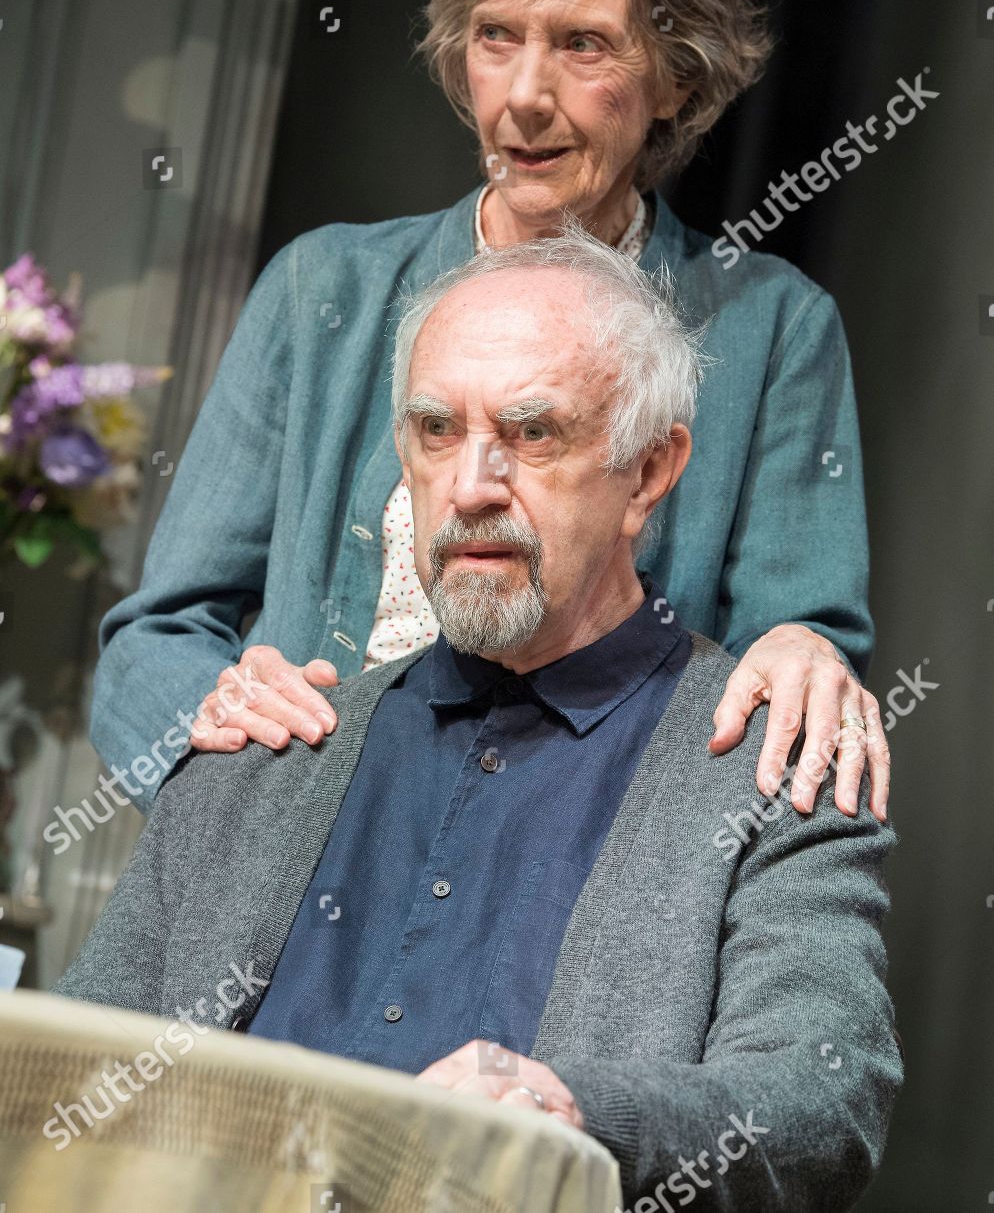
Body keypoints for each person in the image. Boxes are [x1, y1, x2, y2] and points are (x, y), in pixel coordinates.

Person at [54, 227, 902, 1212]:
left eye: (533, 434)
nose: (469, 487)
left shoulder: (769, 771)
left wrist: (573, 1117)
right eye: (435, 431)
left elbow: (823, 1097)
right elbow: (63, 1082)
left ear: (650, 472)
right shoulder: (261, 748)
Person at [89, 0, 889, 822]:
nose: (523, 96)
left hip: (566, 885)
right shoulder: (322, 289)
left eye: (583, 44)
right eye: (495, 35)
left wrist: (796, 649)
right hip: (296, 860)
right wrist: (221, 762)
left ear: (679, 78)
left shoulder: (772, 331)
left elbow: (798, 662)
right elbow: (157, 640)